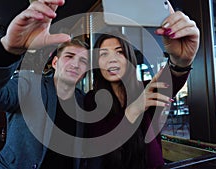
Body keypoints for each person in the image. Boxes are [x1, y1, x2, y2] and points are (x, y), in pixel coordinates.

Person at [0, 0, 90, 169]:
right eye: (69, 56)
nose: (76, 64)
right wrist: (8, 50)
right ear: (55, 63)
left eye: (83, 61)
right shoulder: (29, 85)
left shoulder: (83, 101)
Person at [83, 5, 200, 169]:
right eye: (104, 54)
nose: (112, 59)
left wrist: (182, 62)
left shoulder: (145, 89)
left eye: (119, 52)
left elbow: (171, 81)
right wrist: (135, 108)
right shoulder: (90, 99)